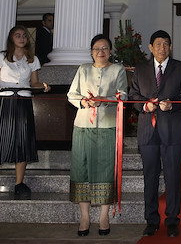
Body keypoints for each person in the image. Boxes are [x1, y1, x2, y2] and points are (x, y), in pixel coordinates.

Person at [129, 30, 181, 238]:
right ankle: (151, 220)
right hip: (148, 130)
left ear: (170, 47)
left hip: (173, 131)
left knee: (173, 177)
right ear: (150, 47)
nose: (162, 48)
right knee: (150, 177)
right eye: (158, 44)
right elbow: (134, 96)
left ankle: (173, 220)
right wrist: (144, 106)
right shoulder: (140, 69)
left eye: (166, 44)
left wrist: (172, 105)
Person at [0, 25, 50, 199]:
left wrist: (43, 86)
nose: (22, 38)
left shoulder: (33, 59)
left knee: (22, 141)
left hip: (23, 101)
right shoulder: (1, 56)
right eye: (18, 35)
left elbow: (34, 83)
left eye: (24, 35)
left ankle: (19, 183)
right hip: (4, 100)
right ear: (11, 38)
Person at [67, 34, 128, 237]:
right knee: (80, 168)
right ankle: (84, 216)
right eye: (96, 48)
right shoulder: (83, 69)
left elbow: (123, 95)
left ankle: (103, 216)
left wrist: (105, 99)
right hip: (83, 125)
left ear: (110, 51)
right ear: (91, 52)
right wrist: (83, 102)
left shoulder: (118, 69)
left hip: (108, 126)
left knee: (105, 169)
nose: (100, 52)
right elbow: (71, 94)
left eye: (104, 48)